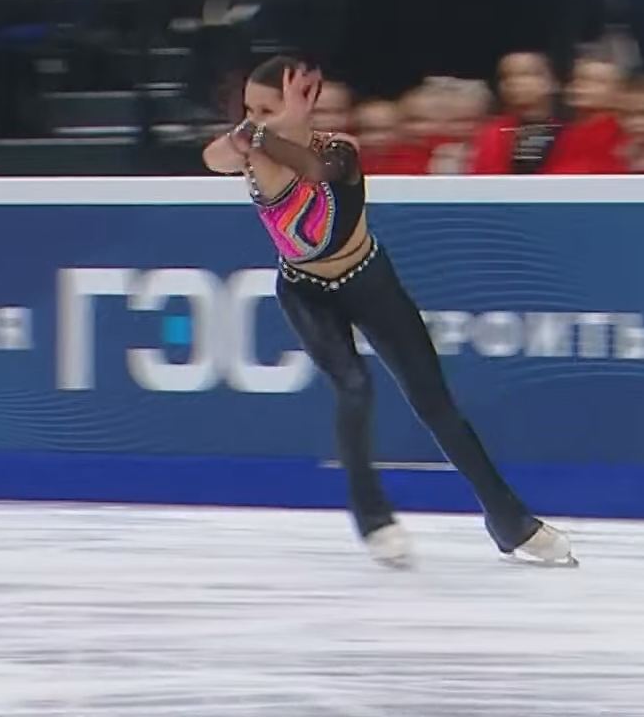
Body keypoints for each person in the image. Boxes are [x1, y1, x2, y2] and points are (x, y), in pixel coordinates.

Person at [201, 56, 577, 569]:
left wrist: (271, 130)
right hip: (306, 292)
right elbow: (213, 157)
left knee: (435, 403)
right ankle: (373, 517)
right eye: (249, 110)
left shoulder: (340, 151)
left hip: (368, 282)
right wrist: (262, 129)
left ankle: (509, 519)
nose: (253, 121)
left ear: (305, 104)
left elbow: (314, 171)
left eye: (267, 109)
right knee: (354, 387)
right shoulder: (253, 155)